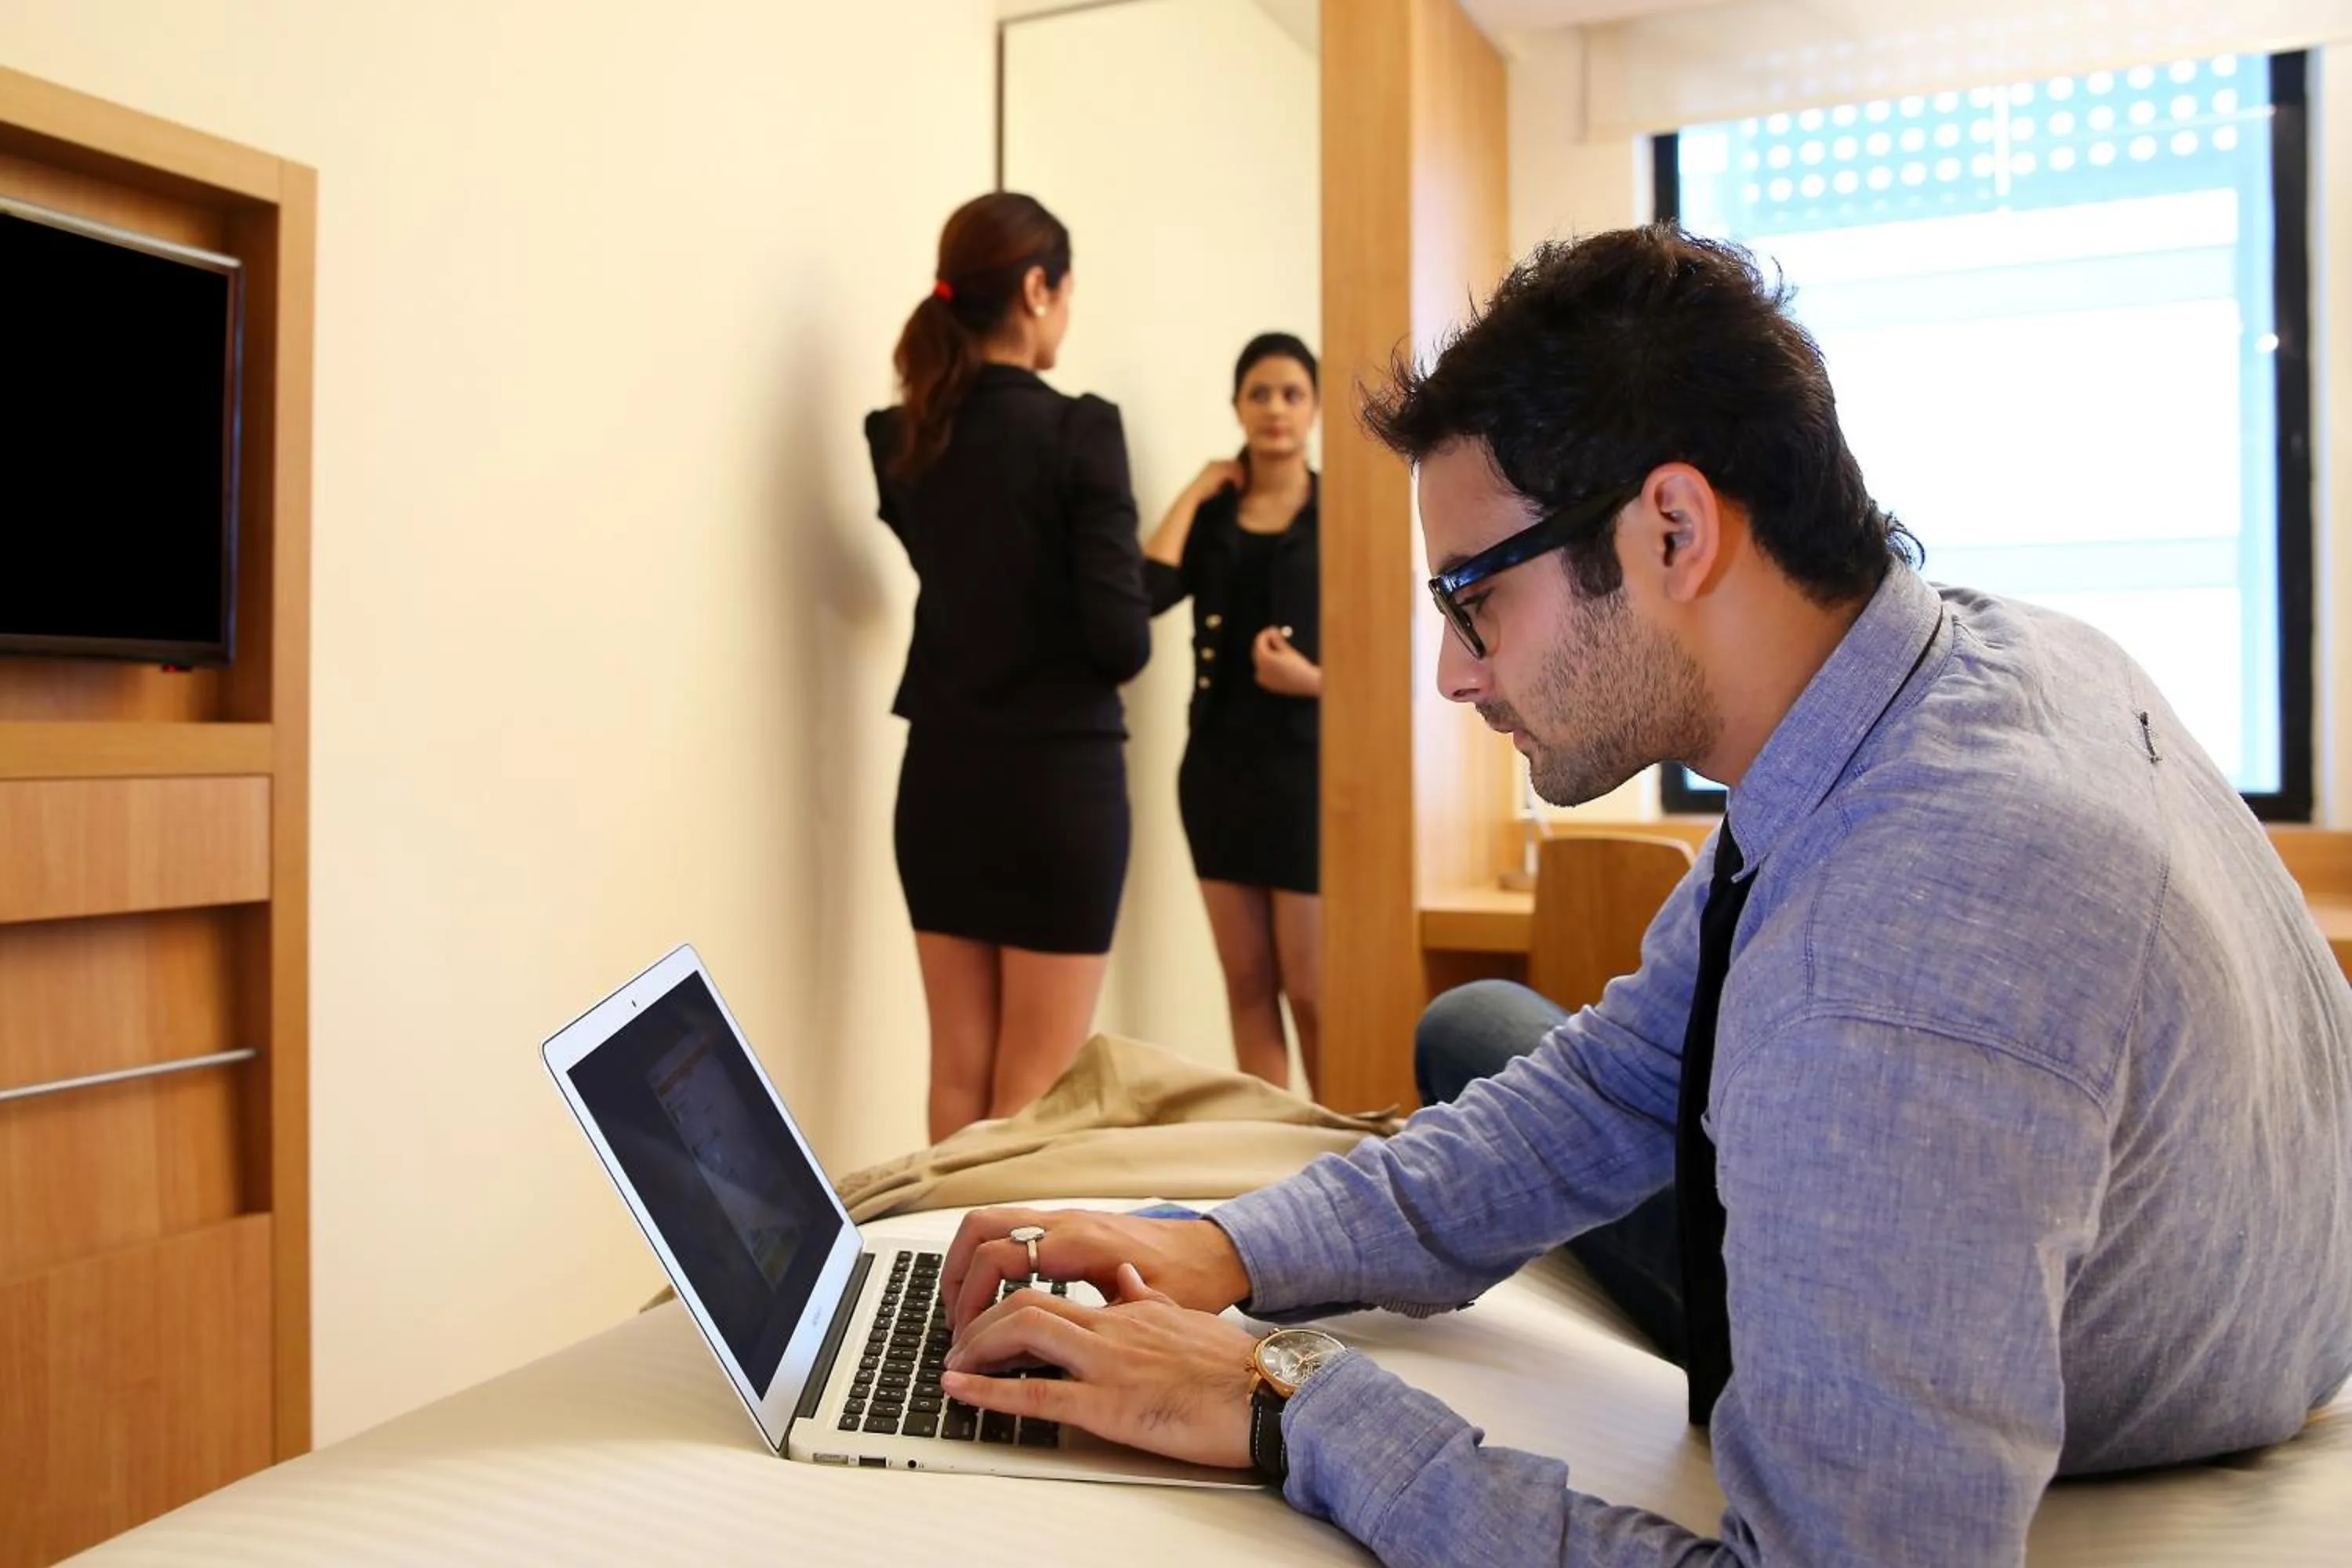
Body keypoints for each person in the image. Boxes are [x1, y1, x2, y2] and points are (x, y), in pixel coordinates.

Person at [928, 226, 2352, 1563]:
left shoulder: (1898, 961)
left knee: (1491, 1040)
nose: (1455, 673)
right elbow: (1620, 1075)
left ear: (1672, 529)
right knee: (1487, 1028)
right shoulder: (1977, 664)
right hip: (2251, 1274)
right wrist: (1225, 1247)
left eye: (1476, 600)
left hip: (2169, 1370)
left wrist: (1279, 1400)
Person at [864, 193, 1150, 1145]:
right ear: (1036, 288)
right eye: (1065, 291)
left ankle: (945, 1290)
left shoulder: (901, 439)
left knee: (956, 1078)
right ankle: (1001, 1300)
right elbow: (1120, 642)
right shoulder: (1081, 432)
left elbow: (975, 574)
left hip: (941, 780)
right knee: (1032, 1093)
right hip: (1055, 792)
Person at [1144, 334, 1324, 1093]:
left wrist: (1313, 679)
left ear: (1313, 408)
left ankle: (1338, 1152)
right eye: (1259, 393)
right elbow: (1144, 591)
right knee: (1247, 985)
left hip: (1305, 773)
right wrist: (1196, 487)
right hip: (1217, 770)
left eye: (1291, 393)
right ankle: (1271, 1162)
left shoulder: (1339, 516)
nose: (1275, 409)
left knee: (1313, 989)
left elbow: (1395, 661)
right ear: (1236, 406)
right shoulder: (1214, 517)